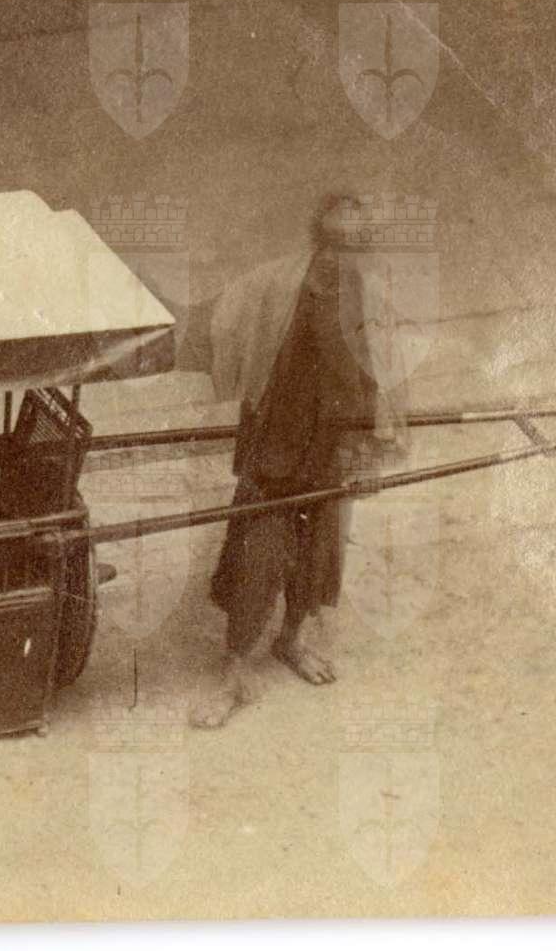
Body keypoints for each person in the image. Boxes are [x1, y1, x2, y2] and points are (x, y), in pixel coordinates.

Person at [190, 193, 409, 729]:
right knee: (258, 555)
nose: (339, 257)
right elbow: (222, 323)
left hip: (333, 448)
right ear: (317, 242)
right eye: (332, 244)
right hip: (277, 445)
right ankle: (235, 671)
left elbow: (385, 379)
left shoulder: (372, 301)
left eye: (353, 246)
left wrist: (369, 449)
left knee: (318, 553)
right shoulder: (278, 285)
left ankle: (290, 639)